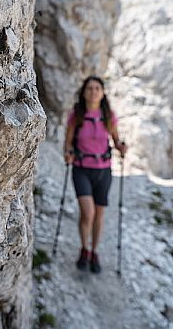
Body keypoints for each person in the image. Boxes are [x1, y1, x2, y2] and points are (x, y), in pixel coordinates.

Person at [64, 76, 127, 273]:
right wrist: (67, 154)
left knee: (99, 214)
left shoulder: (108, 116)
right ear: (84, 92)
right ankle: (84, 248)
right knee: (88, 213)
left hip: (103, 171)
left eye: (97, 88)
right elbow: (67, 142)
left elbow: (116, 141)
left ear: (103, 92)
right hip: (81, 168)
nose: (93, 91)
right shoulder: (77, 115)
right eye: (89, 88)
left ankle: (94, 251)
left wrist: (121, 148)